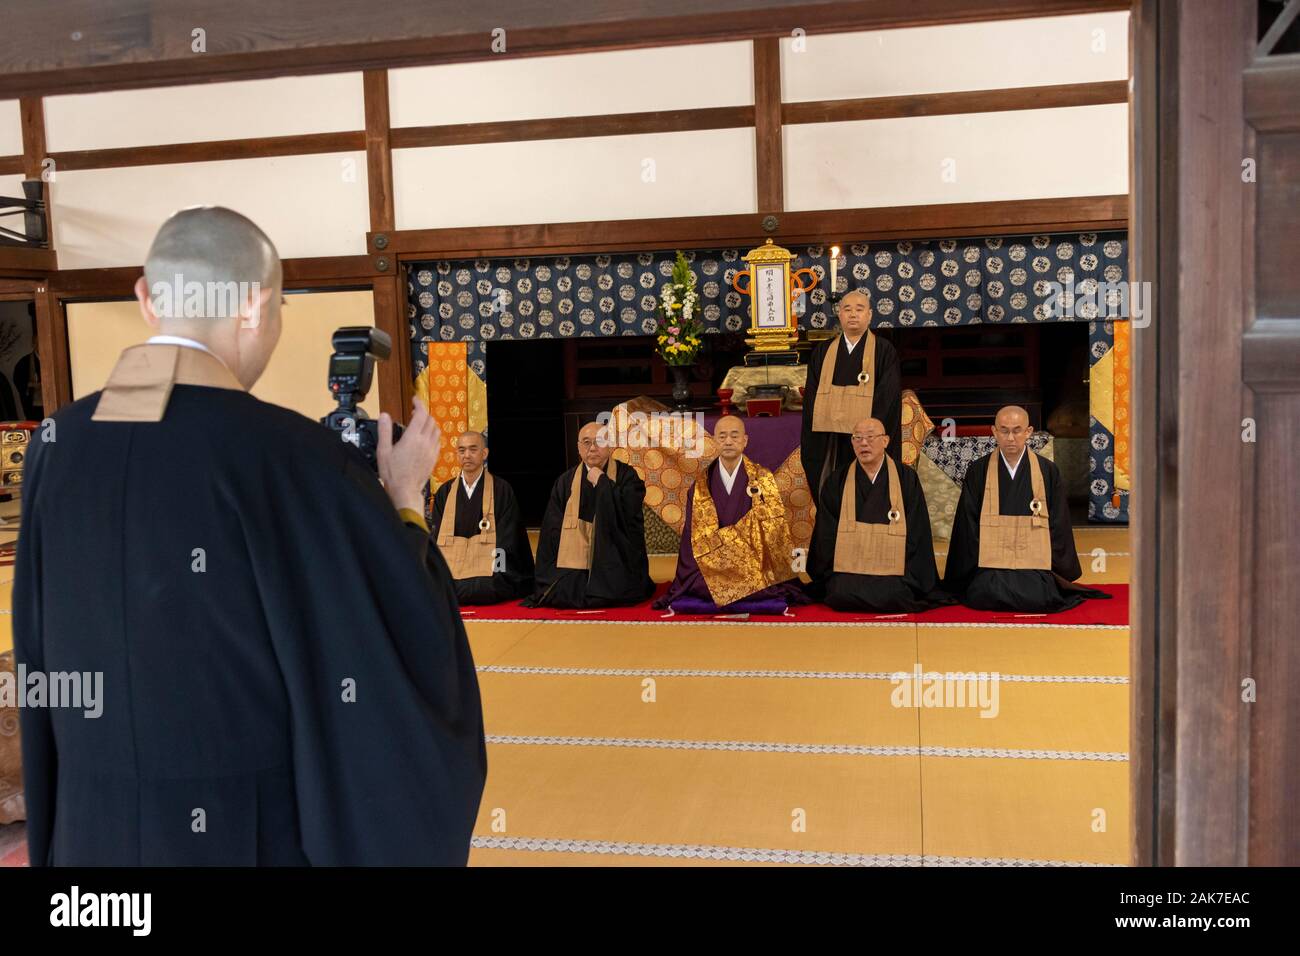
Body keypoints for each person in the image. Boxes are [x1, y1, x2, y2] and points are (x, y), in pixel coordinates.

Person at [14, 207, 486, 866]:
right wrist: (404, 501)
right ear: (256, 307)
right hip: (243, 835)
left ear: (147, 300)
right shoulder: (296, 459)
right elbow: (398, 649)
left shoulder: (56, 447)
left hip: (92, 832)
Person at [943, 405, 1110, 612]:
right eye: (1004, 431)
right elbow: (967, 526)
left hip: (1034, 566)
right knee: (984, 594)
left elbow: (1058, 525)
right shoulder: (979, 470)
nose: (1010, 438)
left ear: (1028, 432)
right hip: (990, 565)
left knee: (1040, 598)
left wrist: (1052, 566)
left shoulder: (1048, 470)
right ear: (994, 432)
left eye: (1017, 430)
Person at [653, 415, 806, 614]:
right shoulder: (701, 486)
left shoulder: (763, 478)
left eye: (734, 436)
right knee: (701, 584)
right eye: (722, 436)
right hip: (712, 565)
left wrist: (742, 557)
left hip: (752, 563)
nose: (728, 441)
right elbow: (692, 537)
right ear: (714, 441)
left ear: (745, 441)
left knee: (765, 582)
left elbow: (774, 532)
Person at [807, 417, 948, 612]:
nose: (864, 443)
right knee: (841, 593)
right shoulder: (837, 481)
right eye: (858, 438)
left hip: (894, 570)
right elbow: (826, 535)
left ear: (886, 441)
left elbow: (917, 533)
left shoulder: (906, 478)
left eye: (871, 437)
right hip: (850, 570)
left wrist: (895, 565)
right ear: (852, 442)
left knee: (894, 594)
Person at [526, 420, 654, 608]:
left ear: (610, 446)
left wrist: (603, 483)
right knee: (564, 590)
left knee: (617, 589)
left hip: (613, 563)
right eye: (586, 442)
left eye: (600, 441)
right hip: (573, 564)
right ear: (578, 448)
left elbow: (630, 524)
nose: (593, 448)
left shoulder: (628, 477)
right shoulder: (565, 482)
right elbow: (551, 532)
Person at [799, 289, 902, 505]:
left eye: (859, 309)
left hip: (867, 440)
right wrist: (837, 416)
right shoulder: (823, 352)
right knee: (833, 494)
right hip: (831, 443)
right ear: (839, 314)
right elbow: (812, 400)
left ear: (870, 315)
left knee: (868, 494)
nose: (853, 314)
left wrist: (861, 427)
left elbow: (888, 398)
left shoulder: (884, 351)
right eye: (847, 309)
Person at [430, 430, 534, 604]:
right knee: (438, 583)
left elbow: (507, 541)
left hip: (489, 567)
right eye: (462, 451)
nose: (467, 455)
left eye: (473, 449)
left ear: (484, 453)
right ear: (457, 454)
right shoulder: (445, 492)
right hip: (454, 566)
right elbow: (437, 538)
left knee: (487, 587)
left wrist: (497, 570)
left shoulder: (501, 490)